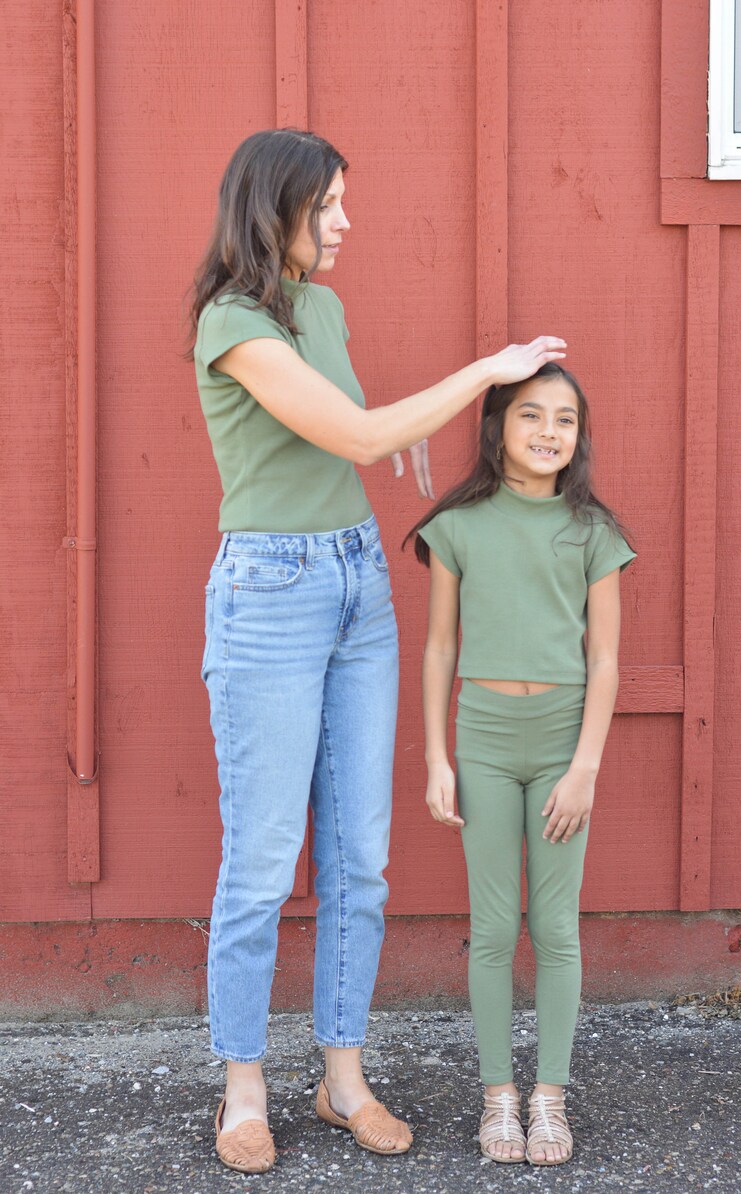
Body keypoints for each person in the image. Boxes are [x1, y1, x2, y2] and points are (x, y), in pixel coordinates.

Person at [187, 127, 567, 1174]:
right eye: (329, 207)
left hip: (356, 581)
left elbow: (343, 425)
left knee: (361, 859)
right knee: (262, 862)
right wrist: (483, 372)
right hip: (270, 594)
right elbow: (348, 437)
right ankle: (243, 1087)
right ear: (277, 212)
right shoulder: (230, 320)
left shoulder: (322, 307)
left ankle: (340, 1077)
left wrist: (389, 426)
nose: (346, 222)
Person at [408, 364, 636, 1166]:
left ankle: (550, 1098)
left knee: (557, 924)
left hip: (563, 740)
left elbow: (604, 661)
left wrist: (587, 768)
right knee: (495, 925)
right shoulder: (459, 526)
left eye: (565, 419)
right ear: (496, 427)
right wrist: (438, 757)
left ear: (579, 435)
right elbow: (440, 646)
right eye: (531, 414)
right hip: (486, 741)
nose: (549, 431)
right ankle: (498, 1097)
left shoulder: (592, 531)